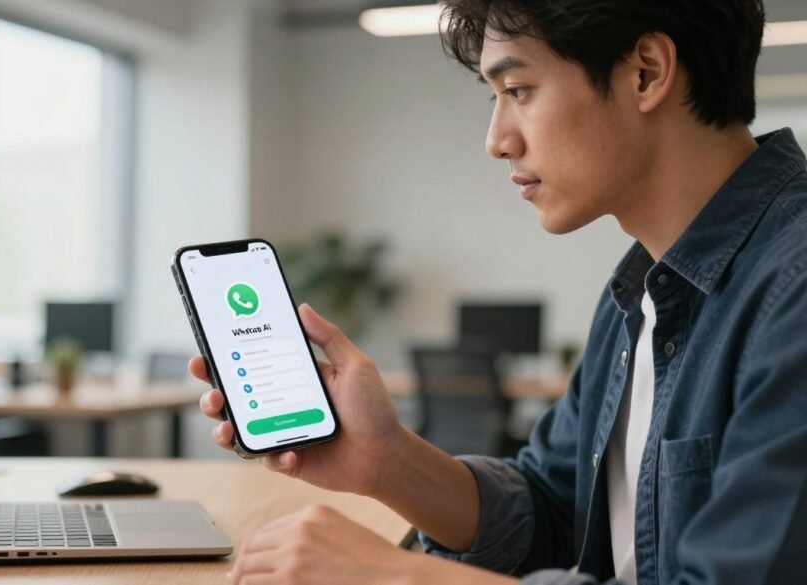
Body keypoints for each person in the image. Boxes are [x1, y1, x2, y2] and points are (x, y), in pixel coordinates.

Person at [189, 0, 807, 583]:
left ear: (645, 73)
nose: (497, 140)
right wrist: (387, 461)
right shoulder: (640, 289)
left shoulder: (793, 287)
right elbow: (553, 510)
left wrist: (394, 574)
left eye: (518, 91)